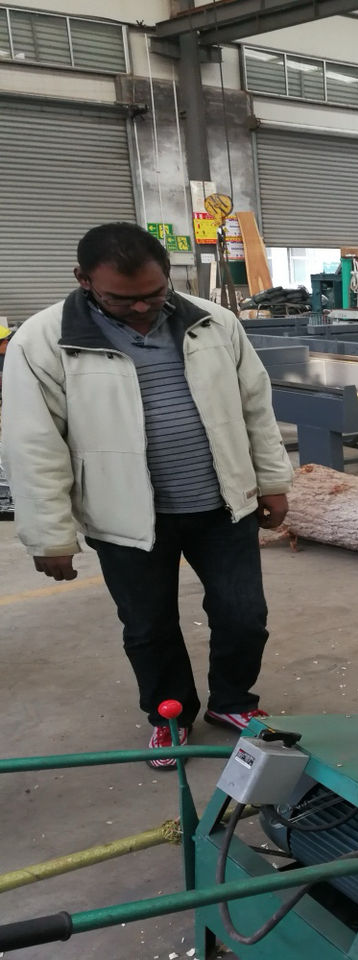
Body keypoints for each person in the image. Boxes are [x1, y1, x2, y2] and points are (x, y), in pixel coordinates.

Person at [0, 222, 294, 768]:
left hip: (221, 504)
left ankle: (232, 702)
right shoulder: (43, 341)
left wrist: (273, 482)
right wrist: (49, 534)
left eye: (154, 294)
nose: (140, 308)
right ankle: (169, 715)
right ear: (84, 280)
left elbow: (255, 407)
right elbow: (32, 443)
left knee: (243, 615)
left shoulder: (215, 322)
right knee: (149, 627)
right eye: (122, 299)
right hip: (126, 517)